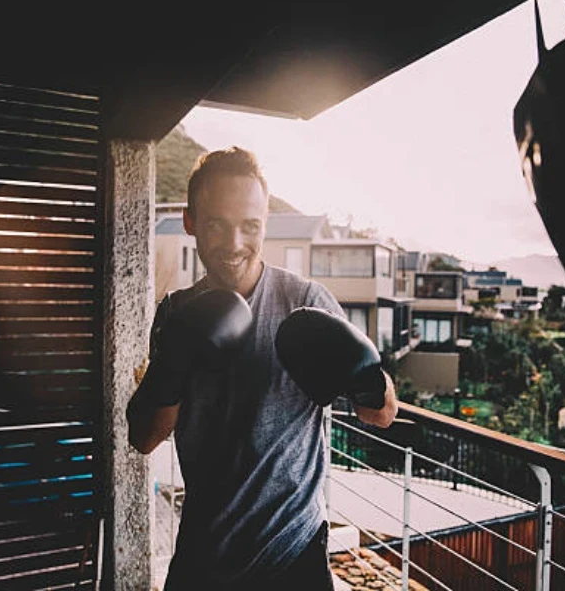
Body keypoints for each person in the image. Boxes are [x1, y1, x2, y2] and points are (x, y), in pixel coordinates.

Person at [126, 146, 398, 591]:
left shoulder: (307, 303)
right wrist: (173, 364)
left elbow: (382, 415)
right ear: (191, 221)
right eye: (216, 224)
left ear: (265, 225)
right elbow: (144, 437)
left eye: (249, 226)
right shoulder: (174, 313)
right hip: (202, 558)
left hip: (294, 556)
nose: (234, 243)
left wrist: (367, 376)